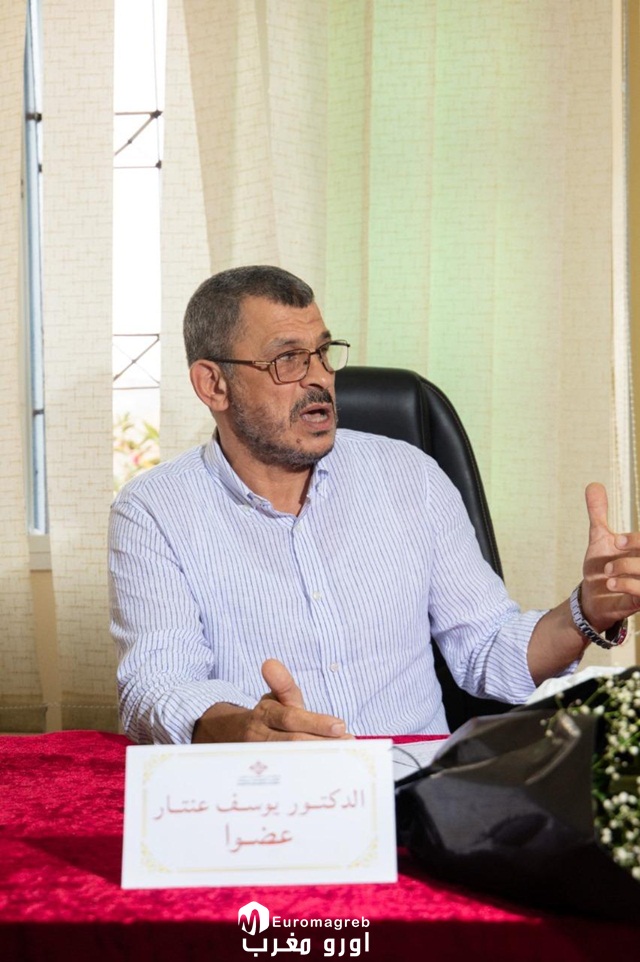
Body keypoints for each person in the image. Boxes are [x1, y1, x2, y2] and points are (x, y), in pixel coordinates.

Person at [109, 265, 640, 745]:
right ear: (213, 384)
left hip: (415, 789)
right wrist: (246, 730)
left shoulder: (409, 475)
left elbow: (487, 649)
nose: (319, 377)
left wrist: (586, 612)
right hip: (268, 789)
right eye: (288, 359)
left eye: (322, 352)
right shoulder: (154, 510)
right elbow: (158, 685)